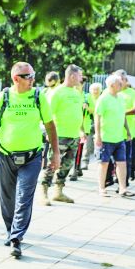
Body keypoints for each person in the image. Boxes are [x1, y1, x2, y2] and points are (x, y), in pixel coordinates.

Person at [0, 62, 60, 259]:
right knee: (7, 198)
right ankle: (11, 230)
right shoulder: (4, 97)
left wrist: (56, 153)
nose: (33, 79)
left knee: (24, 196)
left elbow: (50, 126)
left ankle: (16, 238)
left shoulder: (38, 96)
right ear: (16, 79)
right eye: (28, 76)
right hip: (6, 155)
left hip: (32, 156)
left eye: (33, 75)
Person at [39, 64, 85, 205]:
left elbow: (79, 114)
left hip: (74, 136)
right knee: (52, 163)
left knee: (67, 164)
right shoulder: (57, 92)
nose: (81, 78)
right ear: (72, 76)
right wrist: (48, 132)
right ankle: (44, 193)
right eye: (79, 75)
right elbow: (47, 114)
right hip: (59, 135)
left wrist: (82, 130)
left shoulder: (77, 93)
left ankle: (58, 192)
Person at [94, 74, 134, 197]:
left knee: (122, 163)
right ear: (112, 85)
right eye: (119, 83)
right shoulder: (103, 99)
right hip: (106, 138)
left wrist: (127, 130)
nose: (121, 85)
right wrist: (98, 136)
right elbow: (97, 118)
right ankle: (101, 188)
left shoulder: (121, 98)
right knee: (104, 163)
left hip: (119, 138)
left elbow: (123, 116)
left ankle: (123, 188)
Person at [115, 69, 135, 185]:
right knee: (116, 159)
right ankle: (119, 178)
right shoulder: (112, 93)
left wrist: (122, 112)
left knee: (127, 158)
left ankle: (124, 180)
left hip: (130, 133)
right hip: (114, 133)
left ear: (126, 80)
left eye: (120, 80)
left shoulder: (133, 93)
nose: (119, 83)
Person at [79, 82, 101, 171]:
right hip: (88, 124)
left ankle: (99, 161)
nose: (95, 91)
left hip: (100, 124)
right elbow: (84, 107)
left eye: (97, 89)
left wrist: (90, 109)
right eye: (93, 89)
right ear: (90, 90)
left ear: (100, 91)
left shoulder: (102, 98)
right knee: (87, 145)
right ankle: (85, 162)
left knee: (99, 144)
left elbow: (98, 112)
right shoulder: (87, 97)